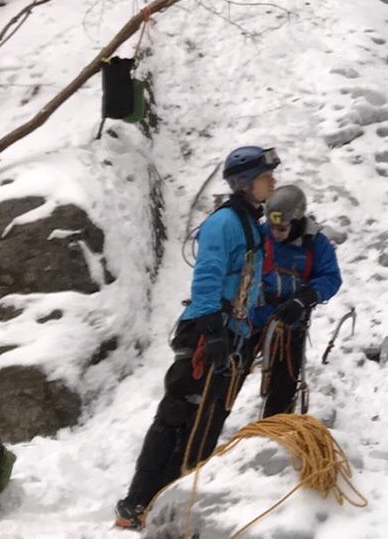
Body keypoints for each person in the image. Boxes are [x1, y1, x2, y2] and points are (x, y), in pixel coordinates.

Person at [114, 146, 280, 530]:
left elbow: (251, 279)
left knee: (207, 420)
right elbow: (207, 275)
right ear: (245, 183)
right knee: (178, 414)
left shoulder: (251, 223)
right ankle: (137, 502)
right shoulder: (225, 223)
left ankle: (169, 498)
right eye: (265, 177)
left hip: (232, 331)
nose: (273, 182)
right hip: (209, 330)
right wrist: (212, 329)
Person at [246, 184, 342, 417]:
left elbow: (331, 278)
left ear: (297, 221)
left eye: (282, 228)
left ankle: (274, 428)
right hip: (255, 314)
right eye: (272, 227)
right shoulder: (261, 233)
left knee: (284, 383)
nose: (276, 233)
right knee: (232, 369)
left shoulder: (316, 244)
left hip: (290, 321)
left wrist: (304, 299)